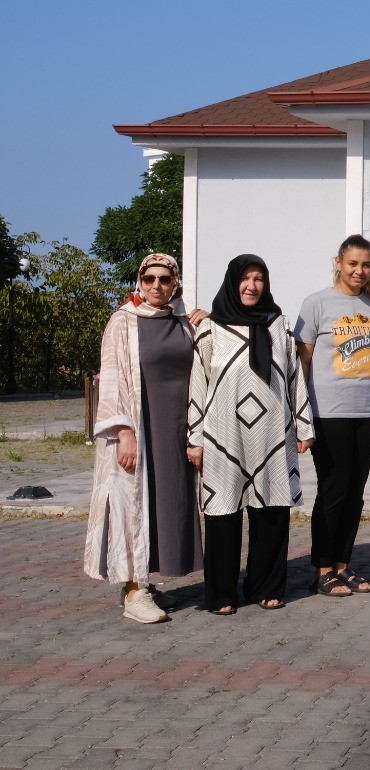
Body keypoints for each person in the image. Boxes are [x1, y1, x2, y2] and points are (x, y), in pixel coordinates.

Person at [187, 254, 313, 613]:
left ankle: (266, 586)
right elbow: (197, 385)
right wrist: (194, 438)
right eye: (245, 278)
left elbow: (294, 378)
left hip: (272, 433)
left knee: (272, 511)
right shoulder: (210, 329)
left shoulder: (278, 325)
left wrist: (304, 425)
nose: (252, 286)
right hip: (221, 435)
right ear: (232, 282)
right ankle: (221, 594)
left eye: (259, 279)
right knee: (222, 513)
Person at [83, 253, 203, 624]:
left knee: (162, 504)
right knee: (132, 503)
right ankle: (134, 592)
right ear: (140, 280)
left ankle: (145, 583)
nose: (156, 286)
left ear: (175, 282)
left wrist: (207, 322)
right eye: (149, 279)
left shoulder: (183, 322)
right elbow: (113, 377)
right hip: (138, 427)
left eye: (165, 279)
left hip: (174, 429)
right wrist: (124, 432)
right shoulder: (123, 321)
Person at [296, 235, 370, 598]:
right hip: (328, 413)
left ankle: (343, 563)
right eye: (352, 264)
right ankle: (322, 569)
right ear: (338, 262)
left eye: (366, 265)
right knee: (333, 490)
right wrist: (300, 416)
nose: (359, 271)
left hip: (367, 412)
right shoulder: (316, 303)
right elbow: (301, 364)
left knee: (355, 494)